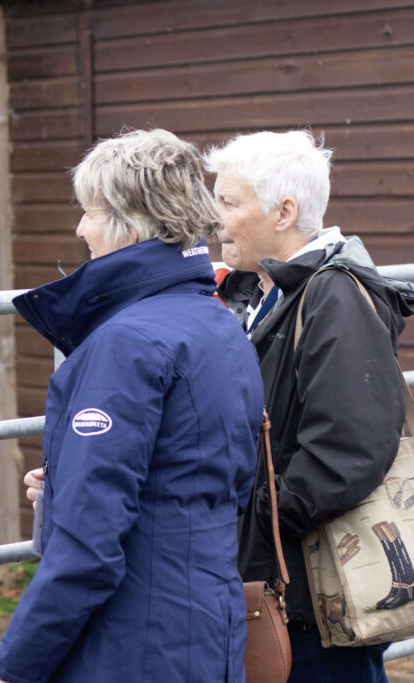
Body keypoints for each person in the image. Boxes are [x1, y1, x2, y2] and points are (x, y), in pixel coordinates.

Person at [0, 129, 264, 683]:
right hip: (205, 627)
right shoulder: (216, 322)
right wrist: (72, 478)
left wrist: (14, 671)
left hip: (130, 645)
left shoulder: (127, 342)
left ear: (128, 224)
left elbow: (88, 549)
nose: (80, 228)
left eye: (91, 211)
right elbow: (216, 479)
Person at [207, 130, 412, 682]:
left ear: (284, 212)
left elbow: (350, 446)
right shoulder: (271, 292)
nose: (215, 217)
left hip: (308, 595)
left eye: (228, 202)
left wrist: (262, 522)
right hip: (287, 583)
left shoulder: (333, 294)